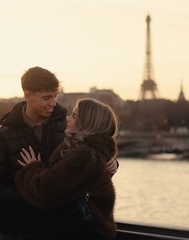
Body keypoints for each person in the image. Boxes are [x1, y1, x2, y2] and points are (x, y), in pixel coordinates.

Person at [0, 66, 118, 240]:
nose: (53, 103)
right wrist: (34, 199)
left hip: (59, 230)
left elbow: (90, 158)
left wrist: (111, 163)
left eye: (55, 96)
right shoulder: (4, 136)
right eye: (47, 98)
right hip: (18, 230)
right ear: (28, 95)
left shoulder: (68, 128)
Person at [15, 98, 118, 240]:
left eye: (74, 116)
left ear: (86, 123)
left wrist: (32, 168)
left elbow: (45, 192)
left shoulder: (83, 156)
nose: (68, 118)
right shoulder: (92, 152)